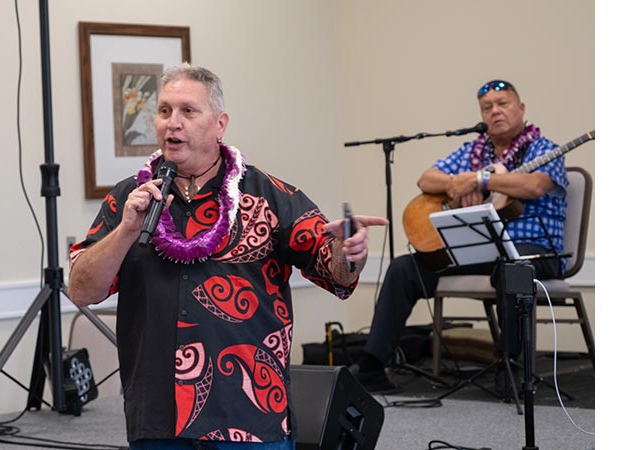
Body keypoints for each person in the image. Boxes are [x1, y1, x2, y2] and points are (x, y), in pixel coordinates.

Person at [67, 64, 387, 450]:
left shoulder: (268, 195)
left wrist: (349, 253)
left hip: (250, 412)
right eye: (165, 111)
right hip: (157, 415)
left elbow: (334, 270)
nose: (173, 123)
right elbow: (82, 290)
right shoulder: (129, 198)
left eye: (188, 111)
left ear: (220, 124)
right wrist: (126, 231)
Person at [350, 80, 567, 391]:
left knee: (512, 271)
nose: (495, 112)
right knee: (405, 268)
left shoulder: (545, 149)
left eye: (503, 104)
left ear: (521, 108)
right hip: (480, 248)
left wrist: (481, 180)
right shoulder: (473, 151)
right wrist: (457, 183)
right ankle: (372, 366)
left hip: (535, 252)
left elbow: (534, 186)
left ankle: (512, 368)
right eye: (487, 108)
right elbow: (426, 179)